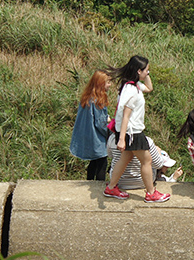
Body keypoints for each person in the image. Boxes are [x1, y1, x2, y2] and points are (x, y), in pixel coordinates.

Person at [103, 55, 170, 203]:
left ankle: (111, 187)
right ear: (138, 71)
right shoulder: (132, 90)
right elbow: (125, 115)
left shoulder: (132, 85)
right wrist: (121, 140)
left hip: (128, 132)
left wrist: (146, 75)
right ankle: (151, 193)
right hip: (133, 132)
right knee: (147, 161)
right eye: (146, 70)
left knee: (125, 159)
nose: (148, 73)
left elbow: (150, 88)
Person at [70, 69, 111, 181]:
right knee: (102, 163)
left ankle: (89, 182)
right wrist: (109, 131)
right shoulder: (99, 100)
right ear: (101, 84)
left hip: (88, 136)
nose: (110, 85)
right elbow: (100, 123)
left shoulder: (87, 97)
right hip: (97, 138)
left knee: (93, 162)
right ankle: (99, 187)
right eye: (108, 82)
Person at [107, 134, 182, 190]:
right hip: (142, 182)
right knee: (147, 163)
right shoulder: (147, 141)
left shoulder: (112, 139)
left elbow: (110, 155)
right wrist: (158, 152)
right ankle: (151, 191)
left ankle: (111, 186)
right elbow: (158, 165)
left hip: (118, 181)